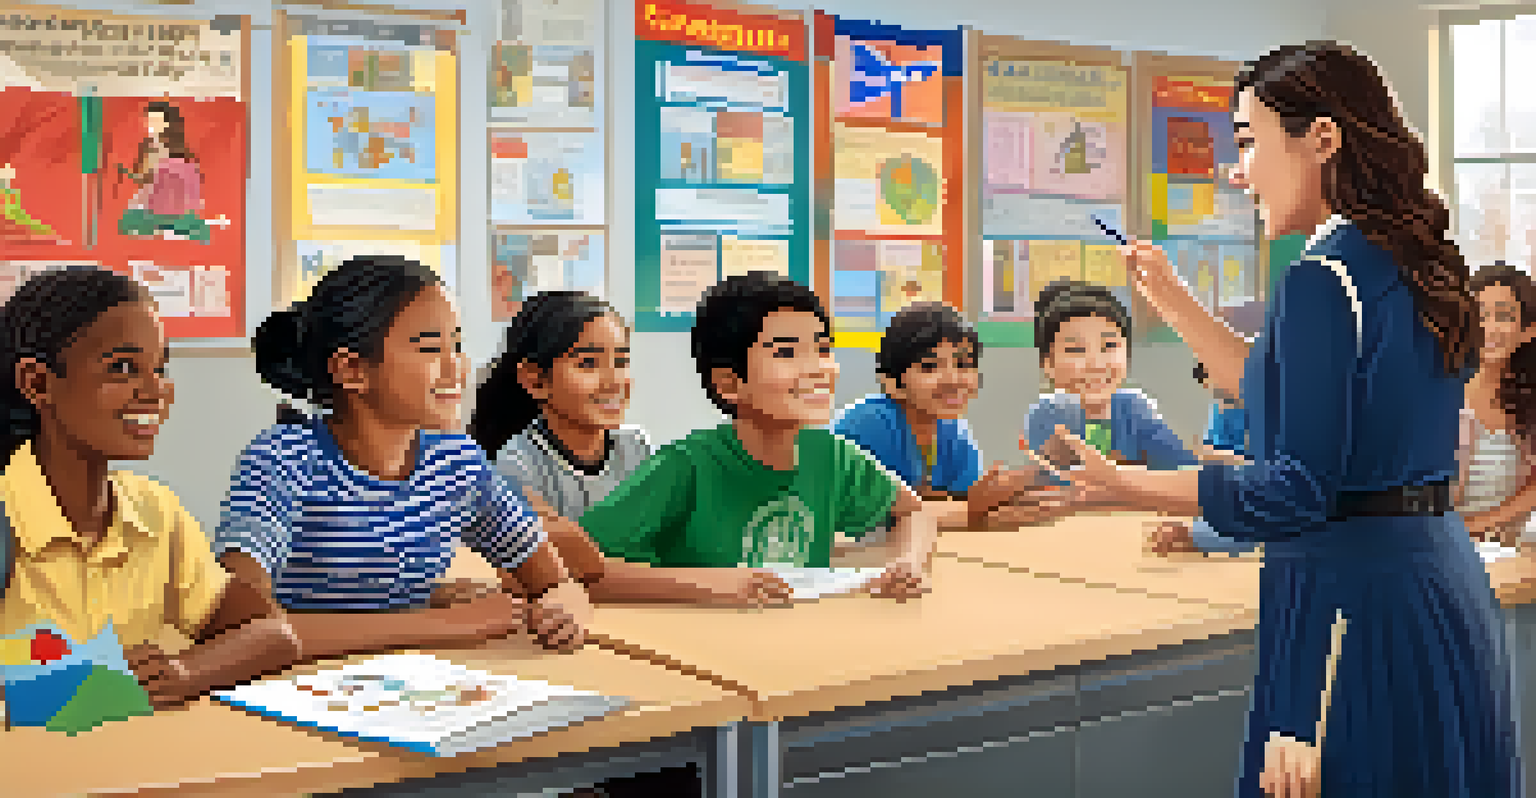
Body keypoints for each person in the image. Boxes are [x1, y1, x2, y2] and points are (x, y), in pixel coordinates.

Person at [1040, 41, 1520, 798]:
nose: (1239, 172)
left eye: (1247, 141)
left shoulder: (1320, 281)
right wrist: (1167, 295)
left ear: (1322, 138)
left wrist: (1131, 486)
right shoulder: (1408, 261)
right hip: (1437, 582)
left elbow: (1294, 491)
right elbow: (1278, 390)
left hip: (1346, 609)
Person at [215, 255, 587, 663]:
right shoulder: (281, 460)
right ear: (352, 370)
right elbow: (241, 625)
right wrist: (441, 623)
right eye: (431, 348)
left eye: (457, 345)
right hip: (296, 689)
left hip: (414, 686)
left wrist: (562, 611)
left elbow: (557, 583)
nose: (456, 367)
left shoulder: (458, 464)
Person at [0, 267, 296, 708]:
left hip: (133, 767)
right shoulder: (9, 514)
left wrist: (186, 671)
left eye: (160, 368)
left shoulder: (154, 511)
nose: (156, 390)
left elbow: (274, 635)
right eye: (122, 368)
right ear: (37, 383)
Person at [575, 271, 937, 604]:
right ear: (729, 383)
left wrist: (909, 563)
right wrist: (709, 585)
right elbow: (577, 565)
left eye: (823, 349)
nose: (818, 369)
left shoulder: (830, 455)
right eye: (787, 353)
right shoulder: (686, 466)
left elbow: (913, 511)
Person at [832, 302, 1042, 529]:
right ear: (892, 383)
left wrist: (1007, 494)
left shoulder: (953, 430)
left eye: (964, 365)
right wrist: (972, 507)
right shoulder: (869, 424)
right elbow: (885, 516)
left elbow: (961, 499)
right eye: (930, 367)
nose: (954, 379)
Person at [1021, 278, 1199, 520]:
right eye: (1076, 350)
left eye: (1109, 346)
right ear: (1048, 365)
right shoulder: (1047, 413)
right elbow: (1058, 489)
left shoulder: (1135, 407)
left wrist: (1119, 483)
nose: (1096, 364)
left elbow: (1180, 470)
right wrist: (1132, 479)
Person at [1458, 263, 1536, 549]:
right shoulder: (1437, 396)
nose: (1489, 327)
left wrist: (1481, 524)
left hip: (1502, 556)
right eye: (1479, 315)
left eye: (1504, 316)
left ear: (1528, 331)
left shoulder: (1529, 402)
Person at [118, 101, 228, 242]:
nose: (152, 125)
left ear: (167, 123)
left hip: (172, 201)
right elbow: (144, 178)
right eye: (150, 120)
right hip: (156, 200)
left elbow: (187, 180)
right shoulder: (149, 146)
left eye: (156, 120)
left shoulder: (176, 149)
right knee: (131, 219)